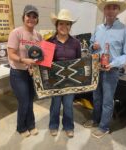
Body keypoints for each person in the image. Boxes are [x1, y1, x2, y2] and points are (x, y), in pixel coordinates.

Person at [84, 0, 126, 139]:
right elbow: (91, 45)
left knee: (107, 100)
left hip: (111, 72)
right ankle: (95, 119)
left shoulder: (124, 30)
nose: (111, 11)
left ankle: (104, 126)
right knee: (96, 97)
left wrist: (113, 64)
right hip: (96, 69)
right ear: (104, 10)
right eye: (108, 8)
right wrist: (92, 47)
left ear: (118, 11)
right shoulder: (98, 28)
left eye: (114, 8)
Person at [7, 5, 42, 138]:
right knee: (24, 102)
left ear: (37, 19)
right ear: (23, 17)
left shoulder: (38, 35)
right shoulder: (16, 33)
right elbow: (11, 54)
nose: (31, 19)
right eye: (29, 16)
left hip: (32, 73)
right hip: (18, 73)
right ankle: (21, 127)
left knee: (30, 100)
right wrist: (24, 60)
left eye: (34, 16)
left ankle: (31, 125)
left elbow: (41, 55)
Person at [48, 9, 81, 138]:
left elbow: (79, 62)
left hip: (70, 80)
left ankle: (68, 126)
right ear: (56, 25)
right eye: (61, 23)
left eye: (67, 24)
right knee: (55, 105)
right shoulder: (50, 42)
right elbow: (45, 62)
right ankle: (53, 125)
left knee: (68, 105)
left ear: (70, 26)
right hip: (55, 81)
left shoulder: (76, 42)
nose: (64, 27)